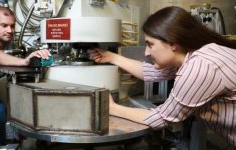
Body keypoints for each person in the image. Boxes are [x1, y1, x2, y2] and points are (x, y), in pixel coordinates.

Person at [89, 6, 236, 147]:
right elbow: (151, 72)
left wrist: (111, 108)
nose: (146, 52)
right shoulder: (192, 53)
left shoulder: (200, 67)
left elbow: (160, 119)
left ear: (172, 42)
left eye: (150, 44)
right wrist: (111, 57)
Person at [0, 6, 51, 146]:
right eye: (4, 25)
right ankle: (3, 144)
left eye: (12, 26)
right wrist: (25, 61)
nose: (9, 30)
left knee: (12, 112)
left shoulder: (8, 43)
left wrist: (39, 55)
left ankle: (7, 141)